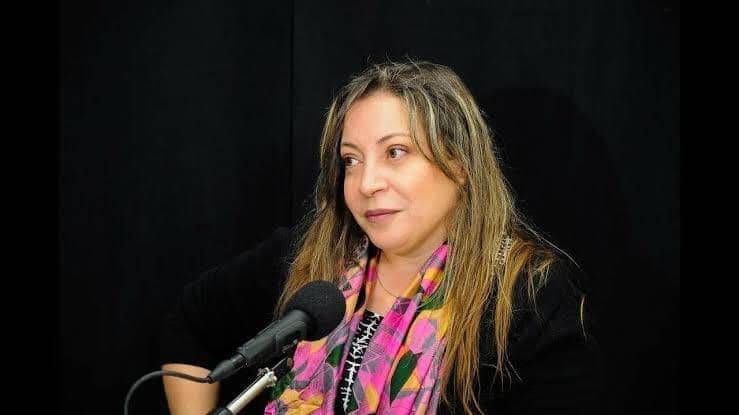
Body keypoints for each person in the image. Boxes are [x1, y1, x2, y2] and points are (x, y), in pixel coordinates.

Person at [160, 59, 603, 414]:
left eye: (395, 152)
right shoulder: (310, 257)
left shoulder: (529, 297)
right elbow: (192, 322)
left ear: (460, 165)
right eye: (351, 160)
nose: (367, 183)